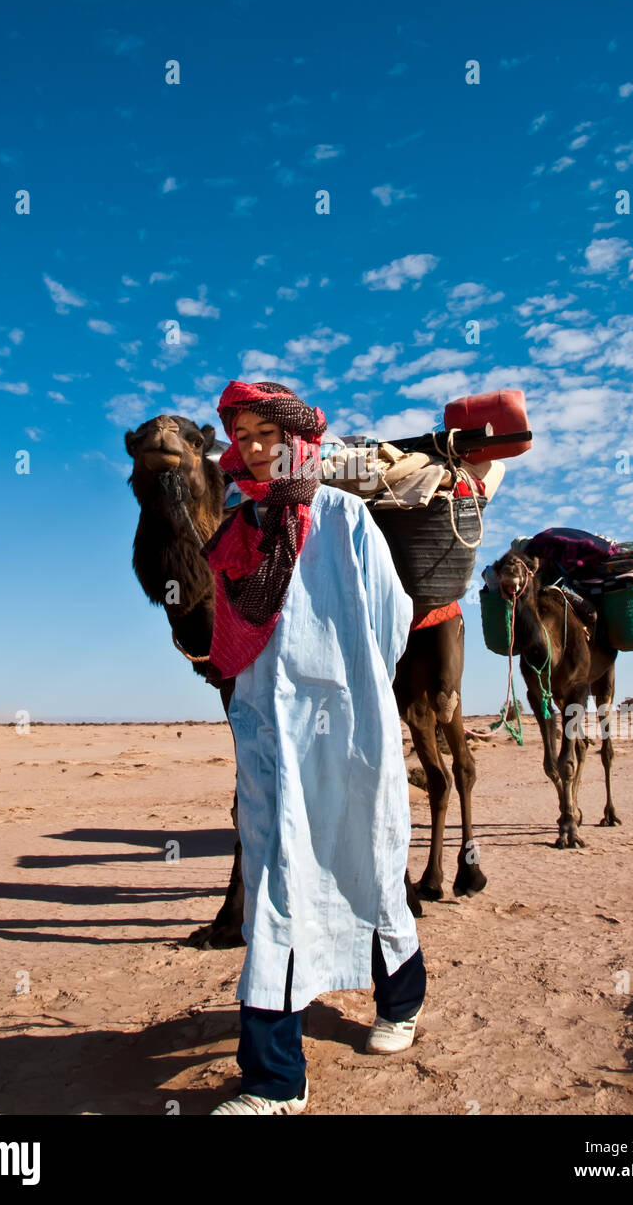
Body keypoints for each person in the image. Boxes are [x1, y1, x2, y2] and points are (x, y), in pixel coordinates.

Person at [200, 379, 426, 1116]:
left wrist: (351, 687)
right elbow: (227, 631)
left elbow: (393, 619)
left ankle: (399, 1005)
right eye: (245, 433)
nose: (257, 446)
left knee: (370, 861)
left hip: (349, 731)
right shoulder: (238, 527)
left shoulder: (344, 517)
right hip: (269, 737)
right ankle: (275, 1080)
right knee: (274, 883)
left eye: (269, 431)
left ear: (298, 437)